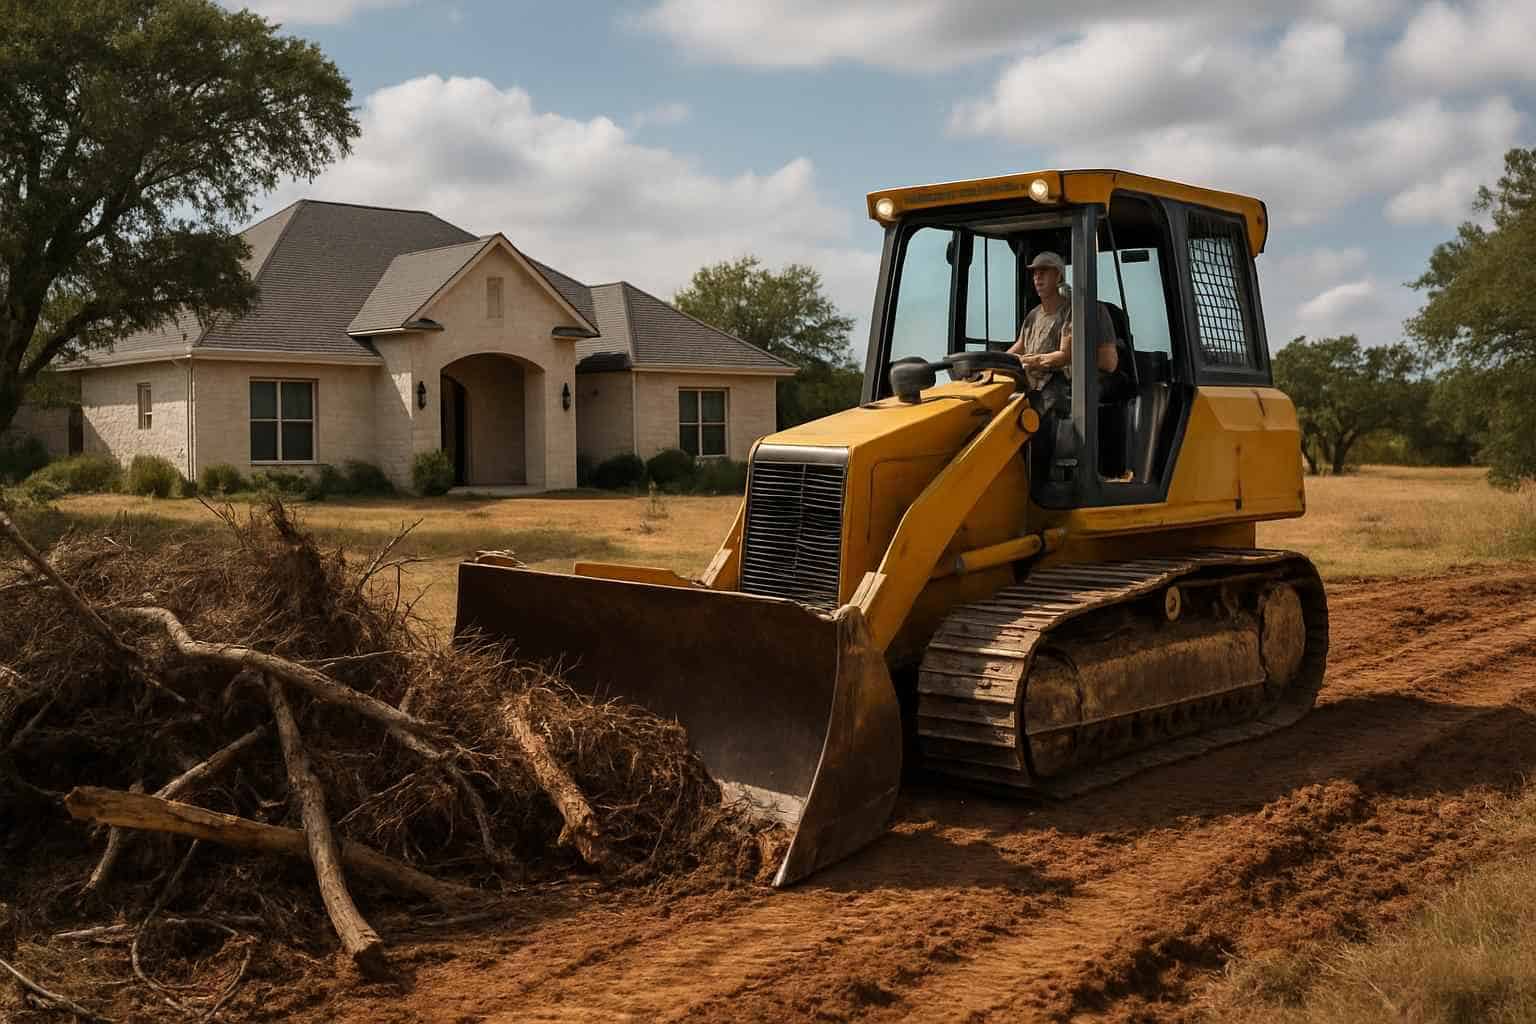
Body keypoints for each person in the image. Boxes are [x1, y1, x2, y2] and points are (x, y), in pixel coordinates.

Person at [1007, 251, 1120, 391]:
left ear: (1058, 276)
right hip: (1035, 385)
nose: (1037, 276)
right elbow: (1019, 347)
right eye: (1035, 272)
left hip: (1067, 390)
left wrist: (1030, 361)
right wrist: (994, 362)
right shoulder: (1033, 315)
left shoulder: (1075, 312)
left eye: (1044, 270)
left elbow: (1066, 355)